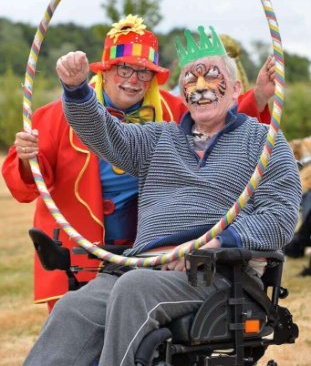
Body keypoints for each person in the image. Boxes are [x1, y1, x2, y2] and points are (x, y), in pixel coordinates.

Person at [23, 24, 301, 366]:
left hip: (214, 273)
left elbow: (281, 218)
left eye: (212, 77)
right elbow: (105, 135)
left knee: (133, 289)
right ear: (182, 93)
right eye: (190, 80)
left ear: (235, 89)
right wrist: (77, 89)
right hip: (145, 267)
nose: (200, 87)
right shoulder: (159, 139)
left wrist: (210, 243)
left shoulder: (262, 142)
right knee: (74, 307)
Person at [2, 15, 274, 311]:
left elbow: (221, 125)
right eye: (124, 68)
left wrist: (259, 96)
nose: (133, 80)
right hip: (81, 252)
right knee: (79, 325)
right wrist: (29, 159)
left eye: (143, 72)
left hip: (153, 254)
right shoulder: (54, 116)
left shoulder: (174, 114)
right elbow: (25, 188)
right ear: (104, 71)